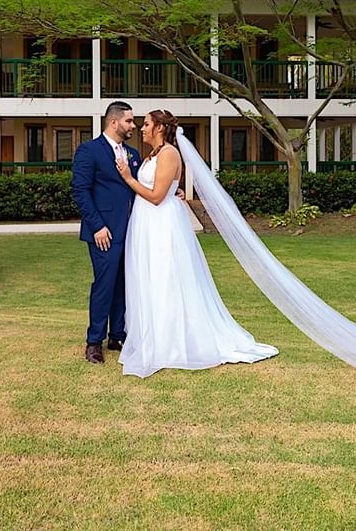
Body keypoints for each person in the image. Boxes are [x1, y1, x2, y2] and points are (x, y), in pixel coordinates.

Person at [114, 109, 278, 378]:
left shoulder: (169, 153)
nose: (141, 129)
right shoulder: (153, 155)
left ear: (159, 128)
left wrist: (128, 178)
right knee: (150, 278)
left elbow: (156, 196)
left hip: (161, 225)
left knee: (166, 278)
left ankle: (172, 343)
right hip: (147, 224)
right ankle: (153, 336)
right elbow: (164, 189)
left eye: (146, 124)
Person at [70, 101, 141, 364]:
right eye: (129, 121)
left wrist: (172, 193)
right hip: (104, 232)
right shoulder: (89, 151)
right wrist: (97, 226)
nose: (133, 125)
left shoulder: (133, 154)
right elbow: (80, 190)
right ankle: (93, 342)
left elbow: (141, 185)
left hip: (131, 230)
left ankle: (118, 335)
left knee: (124, 284)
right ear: (114, 122)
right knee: (104, 284)